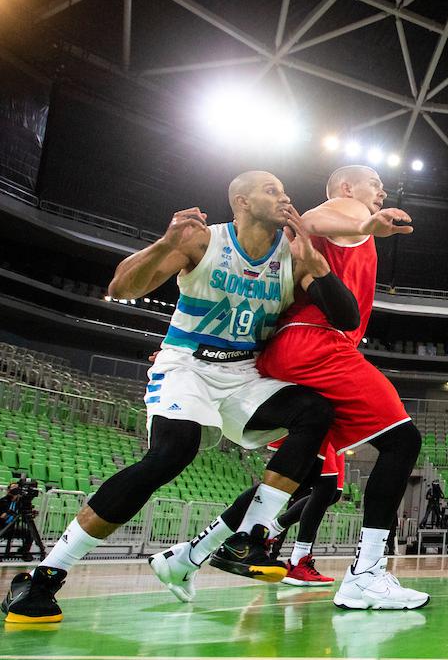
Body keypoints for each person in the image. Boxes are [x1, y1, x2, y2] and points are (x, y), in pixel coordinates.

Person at [3, 173, 359, 624]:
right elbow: (121, 288)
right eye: (272, 191)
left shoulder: (293, 255)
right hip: (187, 365)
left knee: (316, 413)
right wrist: (160, 244)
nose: (285, 197)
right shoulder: (202, 241)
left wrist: (316, 262)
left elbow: (346, 318)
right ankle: (46, 576)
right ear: (242, 202)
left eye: (286, 190)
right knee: (173, 453)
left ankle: (251, 535)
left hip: (243, 372)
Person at [241, 165, 427, 610]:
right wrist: (367, 221)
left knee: (308, 469)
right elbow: (314, 219)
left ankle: (206, 548)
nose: (381, 191)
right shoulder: (349, 213)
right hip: (318, 342)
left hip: (294, 343)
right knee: (403, 441)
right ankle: (365, 573)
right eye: (374, 184)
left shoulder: (346, 232)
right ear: (347, 188)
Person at [263, 441, 345, 586]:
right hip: (324, 427)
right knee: (326, 485)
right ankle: (297, 563)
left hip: (339, 430)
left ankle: (272, 529)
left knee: (334, 494)